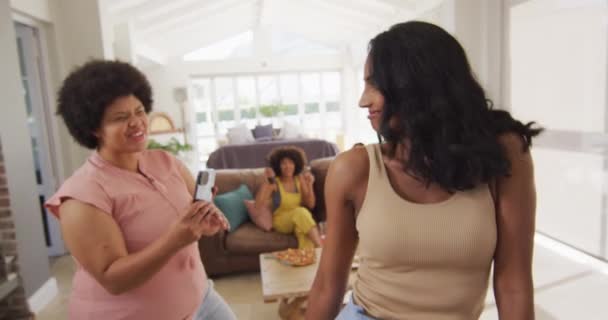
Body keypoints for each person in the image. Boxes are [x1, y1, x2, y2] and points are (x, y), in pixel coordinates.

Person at [306, 21, 542, 320]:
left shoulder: (503, 155)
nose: (363, 100)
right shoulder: (353, 169)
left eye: (374, 84)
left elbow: (514, 284)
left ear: (417, 83)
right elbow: (328, 285)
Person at [45, 60, 237, 320]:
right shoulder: (82, 195)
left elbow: (192, 217)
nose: (137, 123)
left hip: (201, 298)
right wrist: (176, 239)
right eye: (120, 118)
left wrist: (204, 220)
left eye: (139, 111)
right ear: (94, 129)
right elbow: (113, 280)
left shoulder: (166, 162)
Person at [255, 146, 322, 248]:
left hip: (299, 218)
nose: (288, 166)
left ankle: (307, 260)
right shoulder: (274, 183)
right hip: (281, 221)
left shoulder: (299, 179)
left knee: (303, 232)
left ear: (296, 164)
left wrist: (310, 185)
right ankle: (321, 248)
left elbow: (310, 204)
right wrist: (266, 181)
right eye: (283, 163)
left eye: (291, 162)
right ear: (278, 166)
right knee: (301, 212)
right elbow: (258, 205)